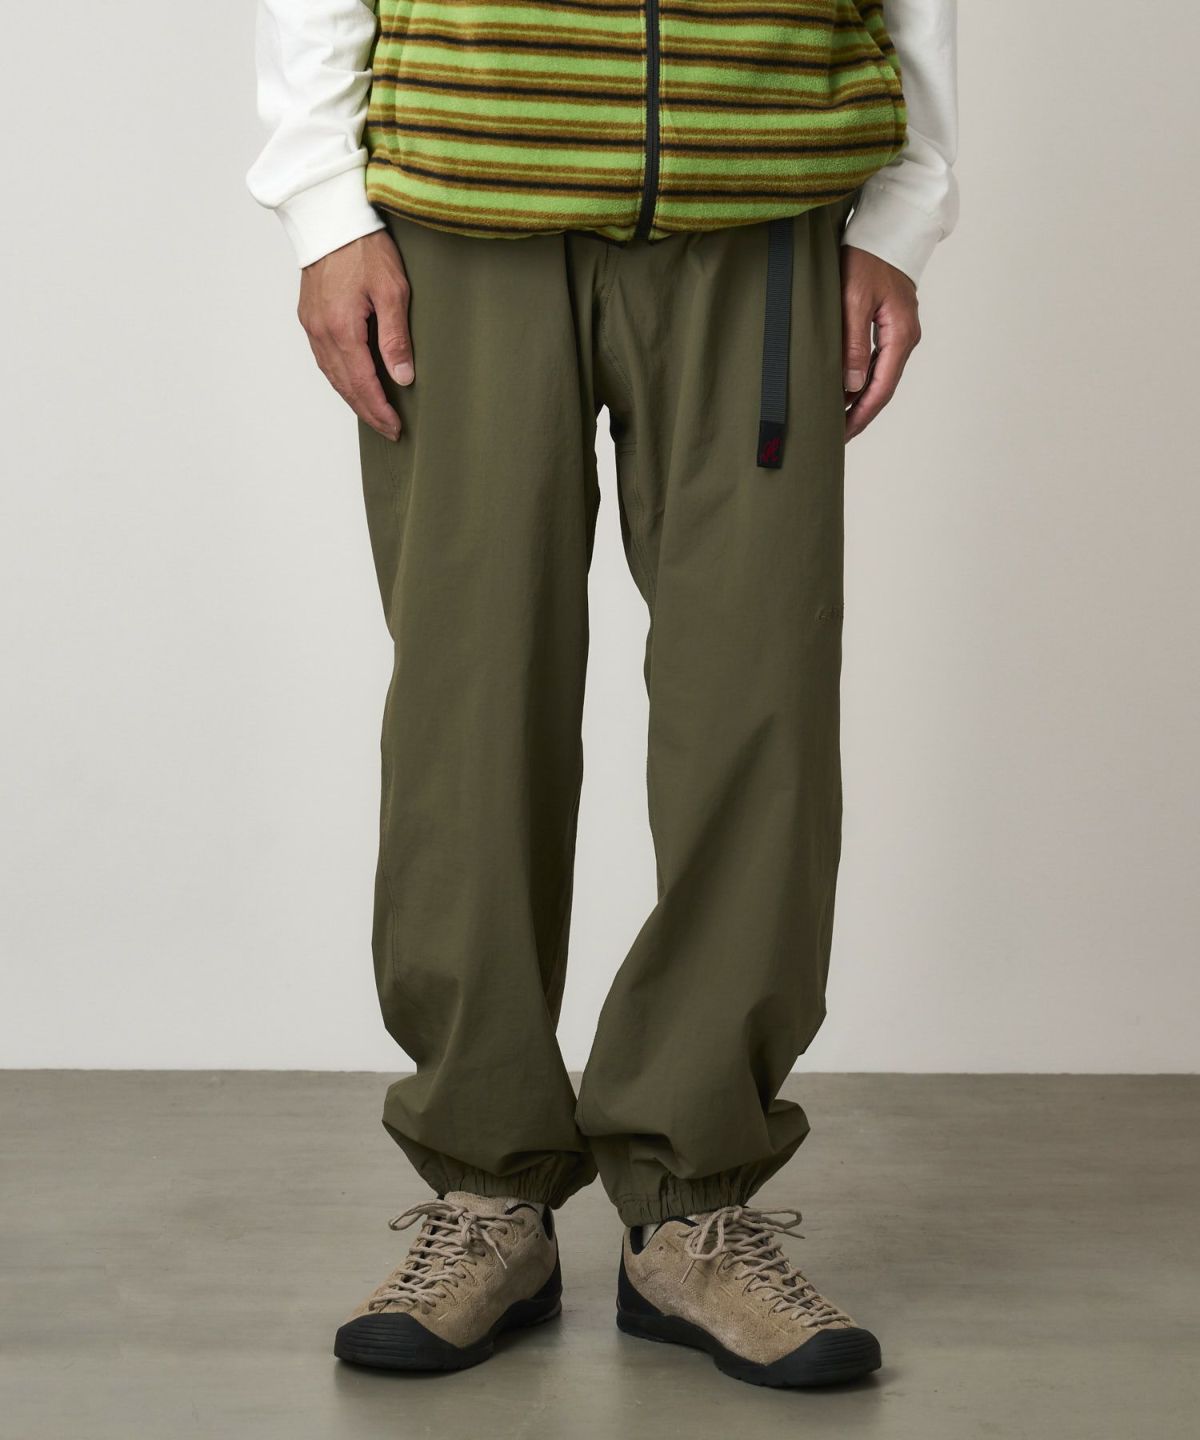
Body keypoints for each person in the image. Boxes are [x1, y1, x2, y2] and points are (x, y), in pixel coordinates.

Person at [249, 0, 957, 1388]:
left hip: (761, 195)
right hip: (463, 193)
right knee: (469, 701)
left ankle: (695, 1206)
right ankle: (486, 1187)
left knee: (758, 705)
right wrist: (323, 202)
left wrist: (904, 204)